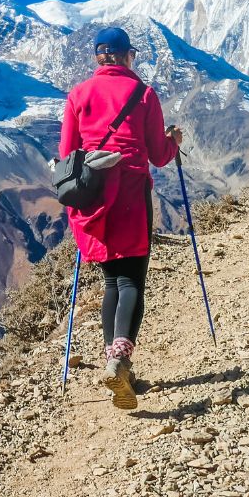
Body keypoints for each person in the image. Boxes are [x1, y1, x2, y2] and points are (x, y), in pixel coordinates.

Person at [59, 26, 182, 410]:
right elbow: (159, 155)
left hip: (91, 197)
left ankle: (114, 359)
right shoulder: (144, 94)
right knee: (132, 280)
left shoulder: (78, 95)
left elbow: (67, 154)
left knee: (111, 279)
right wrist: (173, 140)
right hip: (130, 192)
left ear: (99, 57)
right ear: (128, 56)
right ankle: (120, 361)